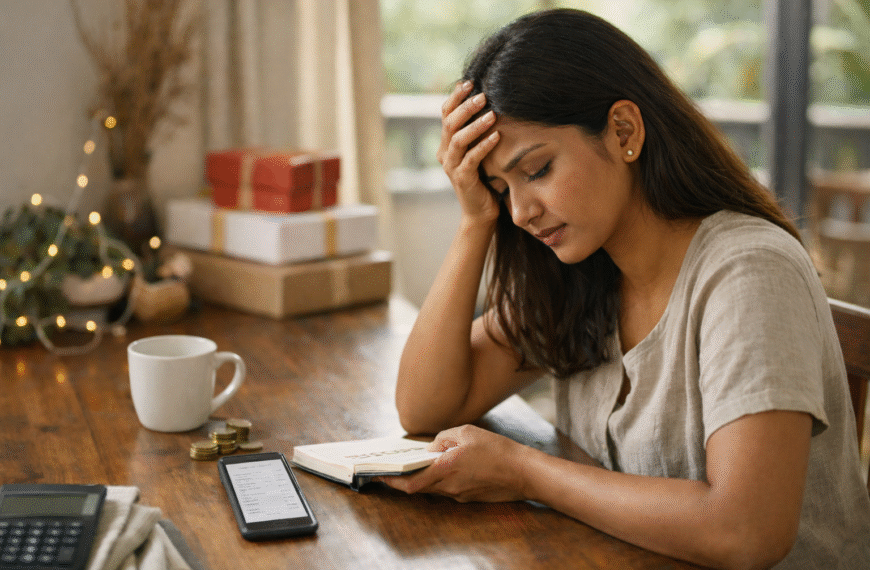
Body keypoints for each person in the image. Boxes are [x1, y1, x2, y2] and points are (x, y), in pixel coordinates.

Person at [379, 8, 870, 570]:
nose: (520, 212)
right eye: (499, 187)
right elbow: (425, 407)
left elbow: (745, 531)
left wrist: (525, 471)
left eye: (536, 170)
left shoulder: (747, 272)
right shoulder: (580, 269)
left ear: (623, 132)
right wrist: (473, 223)